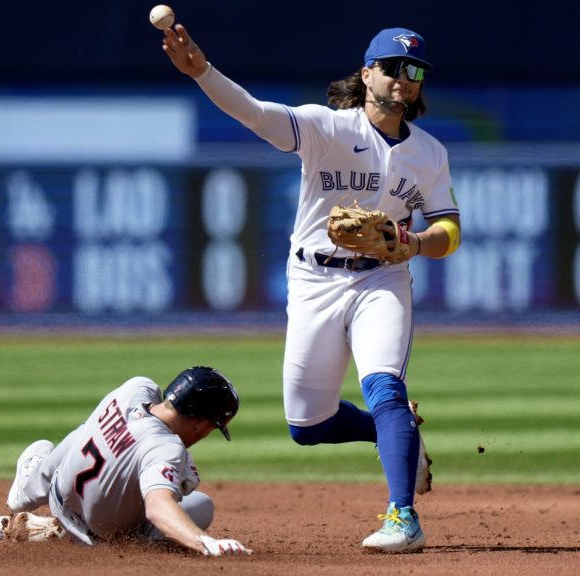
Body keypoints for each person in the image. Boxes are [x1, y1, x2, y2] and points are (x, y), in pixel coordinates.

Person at [161, 24, 461, 553]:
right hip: (313, 280)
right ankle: (398, 437)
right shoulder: (326, 128)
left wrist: (413, 243)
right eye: (392, 67)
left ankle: (403, 517)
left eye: (414, 71)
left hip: (382, 278)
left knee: (384, 384)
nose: (403, 79)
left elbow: (449, 231)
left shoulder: (430, 154)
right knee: (306, 424)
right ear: (367, 73)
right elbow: (253, 112)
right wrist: (202, 72)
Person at [6, 366, 252, 556]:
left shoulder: (135, 388)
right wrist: (206, 543)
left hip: (58, 499)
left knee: (87, 431)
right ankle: (128, 545)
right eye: (212, 427)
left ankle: (28, 489)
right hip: (96, 537)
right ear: (201, 423)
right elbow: (157, 508)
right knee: (201, 504)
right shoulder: (166, 448)